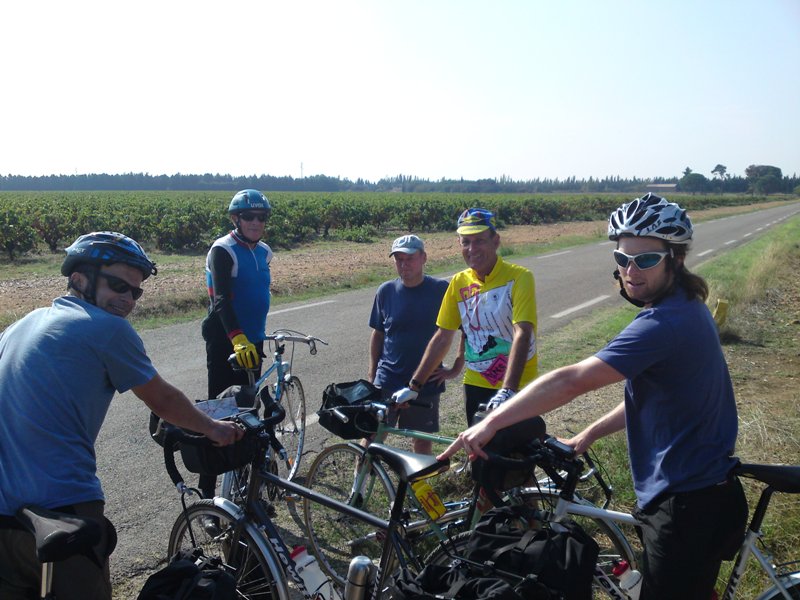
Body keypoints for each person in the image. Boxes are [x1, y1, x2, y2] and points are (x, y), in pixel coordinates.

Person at [438, 194, 748, 600]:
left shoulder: (663, 324)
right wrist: (588, 434)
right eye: (622, 259)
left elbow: (572, 380)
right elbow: (652, 398)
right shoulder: (688, 306)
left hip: (685, 501)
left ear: (675, 258)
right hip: (701, 490)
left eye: (646, 260)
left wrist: (492, 421)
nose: (631, 271)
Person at [0, 232, 243, 600]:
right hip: (63, 508)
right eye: (118, 286)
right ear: (79, 279)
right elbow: (163, 399)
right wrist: (215, 429)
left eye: (136, 292)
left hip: (5, 519)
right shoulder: (106, 328)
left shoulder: (20, 325)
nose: (128, 299)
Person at [393, 208, 538, 426]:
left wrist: (508, 390)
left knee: (515, 455)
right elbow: (442, 337)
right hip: (476, 383)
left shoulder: (519, 277)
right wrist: (414, 387)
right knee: (479, 455)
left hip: (518, 384)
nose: (472, 249)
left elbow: (523, 333)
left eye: (479, 240)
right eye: (466, 242)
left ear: (496, 241)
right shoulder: (458, 282)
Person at [200, 188, 272, 498]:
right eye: (248, 216)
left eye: (261, 217)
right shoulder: (223, 250)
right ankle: (208, 496)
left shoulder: (264, 252)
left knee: (248, 413)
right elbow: (221, 302)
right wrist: (237, 339)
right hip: (225, 341)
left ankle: (244, 489)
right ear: (236, 219)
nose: (255, 222)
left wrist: (254, 337)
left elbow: (257, 294)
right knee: (218, 413)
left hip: (252, 342)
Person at [368, 234, 462, 454]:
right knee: (374, 434)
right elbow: (378, 335)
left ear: (424, 258)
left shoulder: (441, 290)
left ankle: (418, 485)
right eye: (398, 259)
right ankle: (361, 483)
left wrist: (457, 366)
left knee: (420, 441)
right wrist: (372, 375)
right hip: (388, 378)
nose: (404, 264)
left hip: (427, 382)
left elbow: (466, 330)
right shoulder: (385, 291)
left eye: (409, 258)